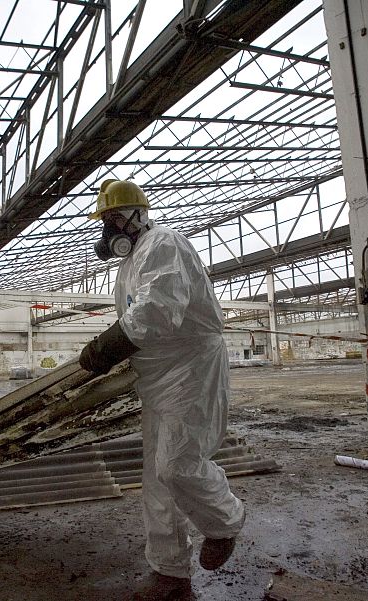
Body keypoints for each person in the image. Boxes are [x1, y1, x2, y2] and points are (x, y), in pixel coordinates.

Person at [80, 179, 245, 601]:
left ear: (139, 214)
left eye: (116, 217)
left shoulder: (164, 243)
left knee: (177, 464)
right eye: (105, 220)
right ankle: (170, 573)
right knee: (157, 476)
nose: (110, 226)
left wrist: (106, 346)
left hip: (189, 370)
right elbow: (140, 313)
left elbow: (157, 311)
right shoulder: (129, 263)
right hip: (157, 376)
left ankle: (225, 520)